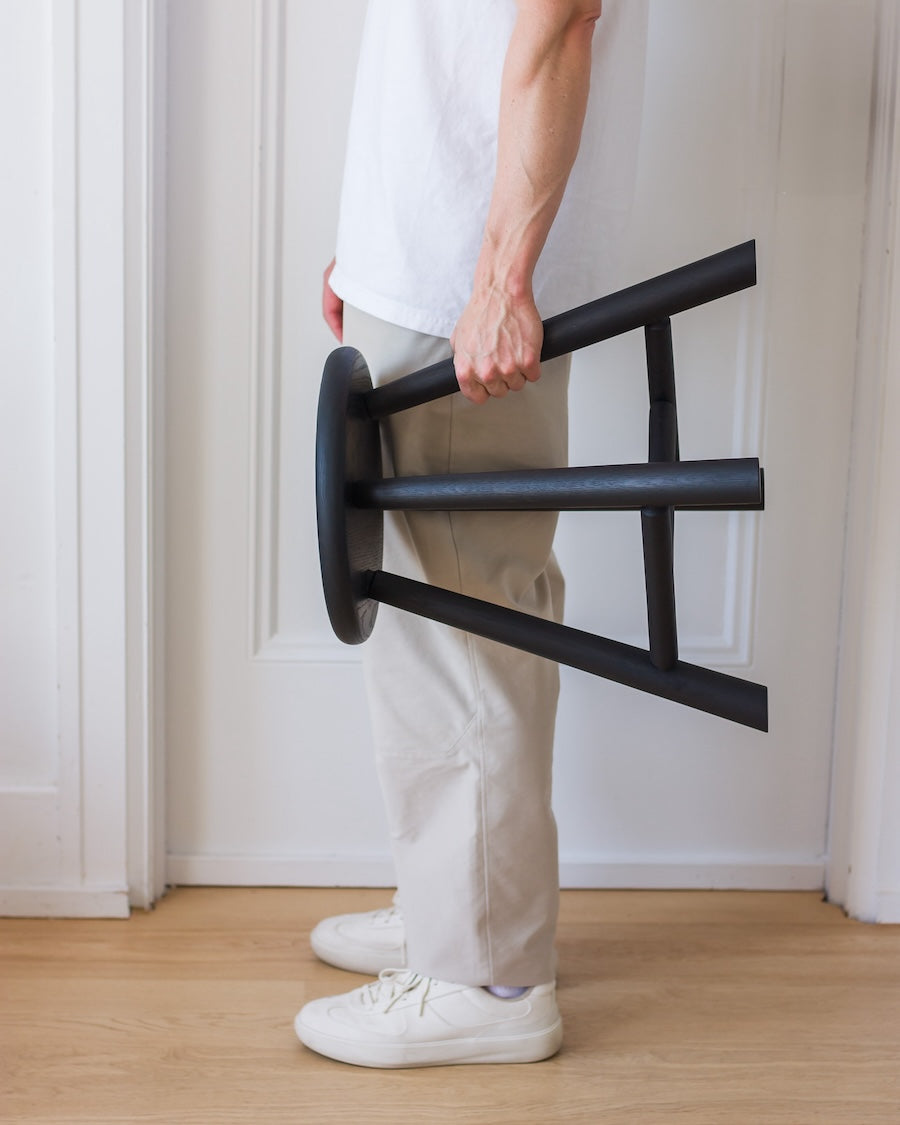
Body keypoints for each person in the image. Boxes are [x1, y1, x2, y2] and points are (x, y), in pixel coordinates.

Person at [295, 0, 647, 1068]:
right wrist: (369, 245)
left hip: (463, 288)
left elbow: (556, 26)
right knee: (426, 614)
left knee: (470, 612)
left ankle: (489, 977)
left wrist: (495, 281)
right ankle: (454, 902)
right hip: (424, 262)